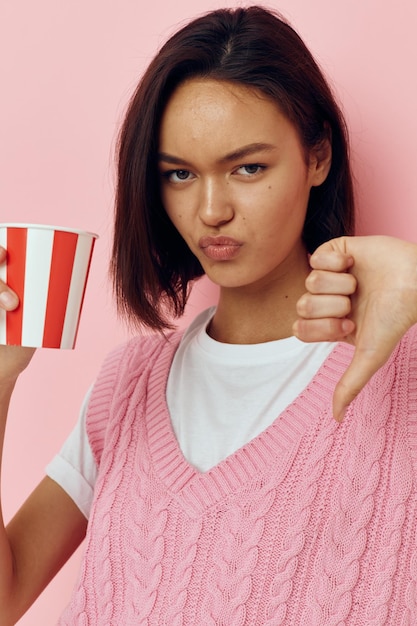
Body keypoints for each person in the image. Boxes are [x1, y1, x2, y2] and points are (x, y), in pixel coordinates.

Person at [1, 5, 417, 624]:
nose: (211, 209)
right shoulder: (128, 383)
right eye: (179, 174)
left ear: (318, 156)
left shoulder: (402, 370)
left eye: (248, 167)